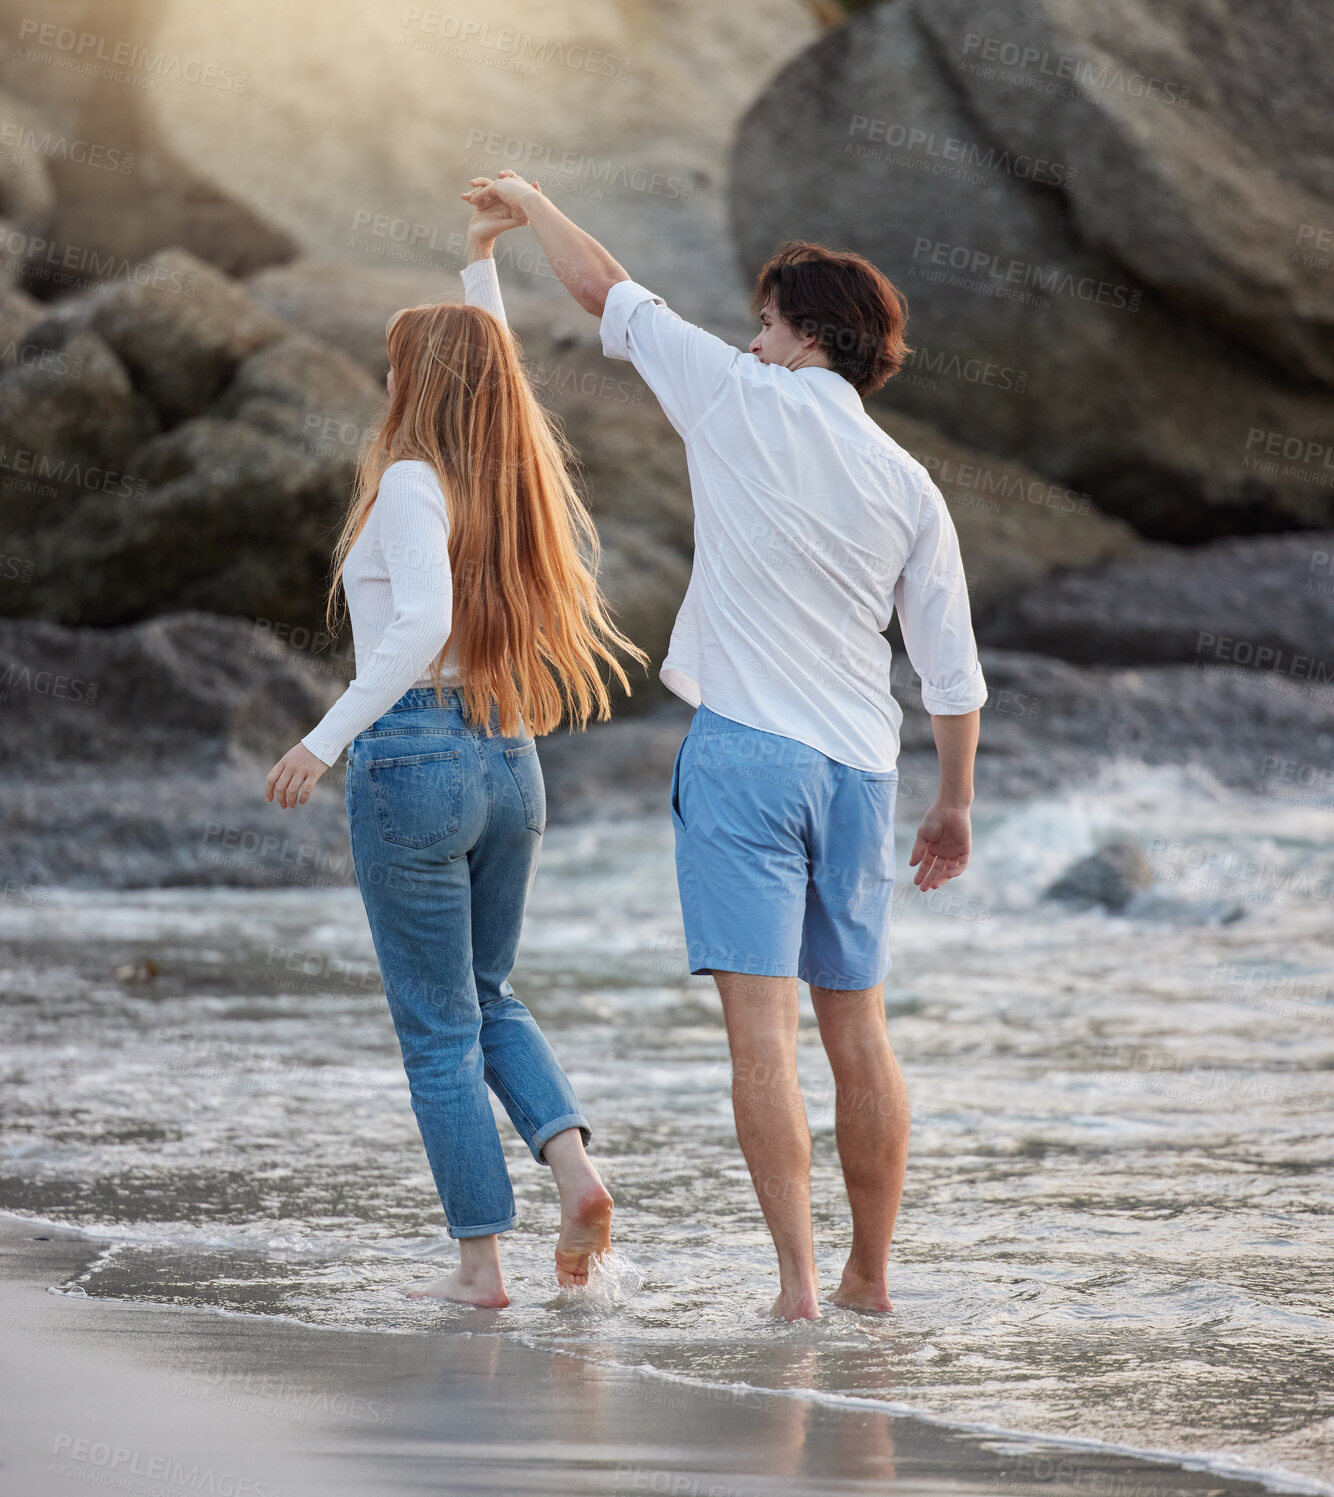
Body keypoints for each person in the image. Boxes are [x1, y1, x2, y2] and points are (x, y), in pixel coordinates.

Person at [462, 170, 987, 1321]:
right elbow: (948, 668)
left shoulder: (734, 396)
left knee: (762, 1041)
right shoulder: (908, 484)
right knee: (858, 1032)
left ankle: (796, 1289)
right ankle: (869, 1280)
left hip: (745, 756)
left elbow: (603, 288)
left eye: (763, 322)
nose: (750, 340)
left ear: (803, 335)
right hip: (857, 767)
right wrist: (950, 801)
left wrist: (530, 201)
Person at [263, 186, 647, 1308]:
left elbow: (419, 623)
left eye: (396, 370)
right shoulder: (505, 479)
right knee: (487, 993)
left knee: (437, 1028)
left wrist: (323, 739)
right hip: (505, 760)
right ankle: (573, 1173)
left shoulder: (411, 482)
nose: (387, 386)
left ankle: (481, 1265)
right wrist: (478, 263)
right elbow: (504, 381)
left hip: (414, 757)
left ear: (418, 385)